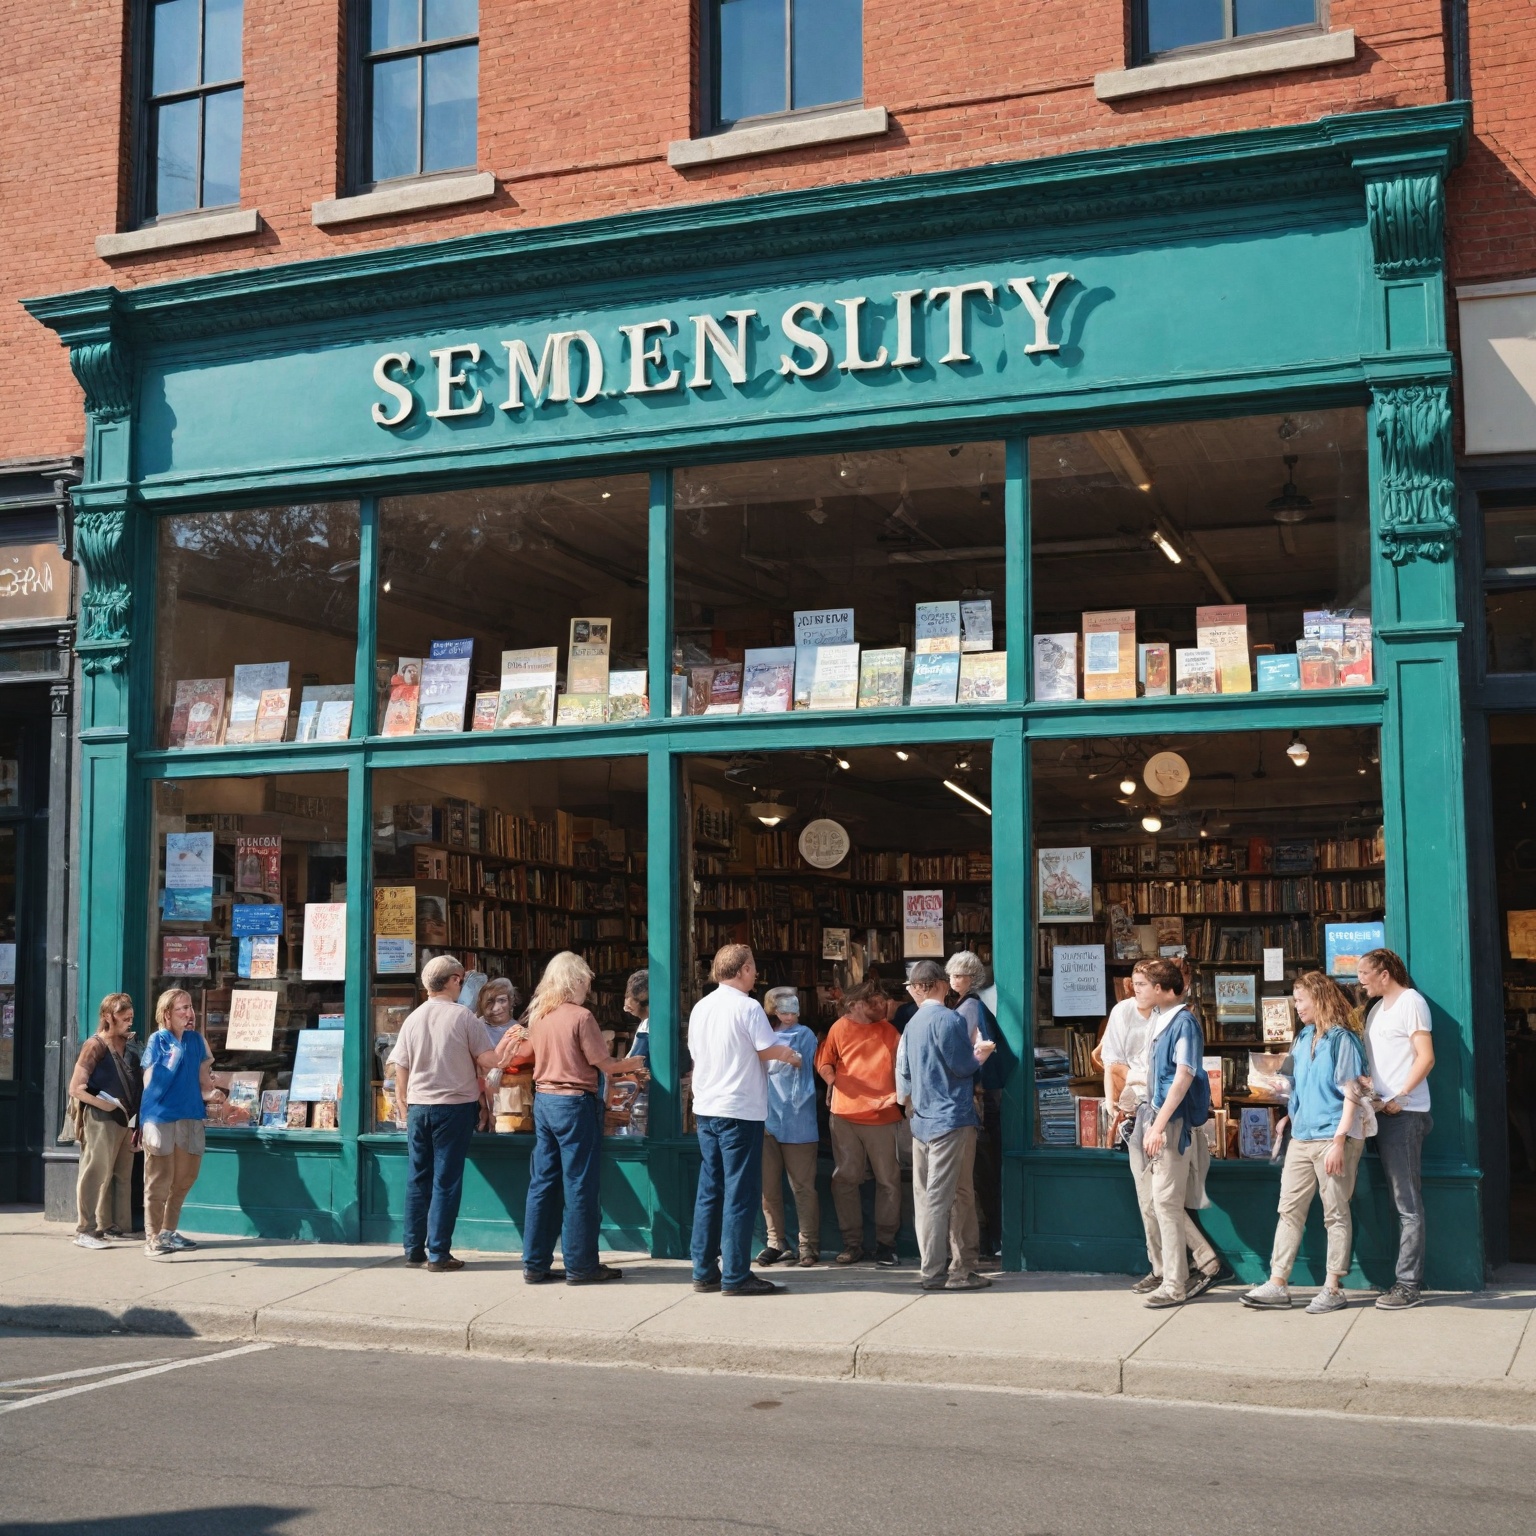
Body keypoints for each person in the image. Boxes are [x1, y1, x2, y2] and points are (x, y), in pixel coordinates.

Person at [501, 951, 648, 1286]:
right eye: (586, 981)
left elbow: (528, 1055)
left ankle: (535, 1264)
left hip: (545, 1101)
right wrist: (635, 1063)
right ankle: (581, 1266)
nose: (588, 988)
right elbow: (604, 1064)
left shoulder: (540, 1015)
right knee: (580, 1185)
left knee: (542, 1184)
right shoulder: (581, 1017)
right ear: (576, 980)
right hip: (575, 1103)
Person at [1243, 971, 1371, 1313]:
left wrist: (1340, 1141)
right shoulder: (1302, 1037)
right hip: (1301, 1136)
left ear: (1320, 999)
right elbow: (1297, 1084)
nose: (1297, 1007)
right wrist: (1286, 1107)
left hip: (1332, 1136)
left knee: (1335, 1213)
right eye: (1295, 1000)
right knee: (1289, 1210)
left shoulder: (1343, 1040)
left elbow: (1352, 1094)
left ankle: (1333, 1287)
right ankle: (1278, 1283)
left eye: (1301, 1000)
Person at [688, 944, 803, 1297]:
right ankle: (736, 1275)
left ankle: (704, 1270)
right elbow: (766, 1049)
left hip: (707, 1107)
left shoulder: (702, 1006)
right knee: (740, 1193)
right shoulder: (748, 1006)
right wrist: (790, 1055)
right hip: (739, 1110)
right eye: (752, 967)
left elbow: (696, 1052)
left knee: (710, 1190)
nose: (755, 973)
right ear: (741, 971)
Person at [392, 954, 505, 1272]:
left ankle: (414, 1250)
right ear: (454, 980)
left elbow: (400, 1065)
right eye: (462, 980)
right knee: (446, 1180)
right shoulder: (463, 1017)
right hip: (453, 1107)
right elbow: (488, 1060)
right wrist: (509, 1048)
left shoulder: (413, 1017)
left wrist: (403, 1101)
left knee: (418, 1178)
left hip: (419, 1107)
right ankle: (439, 1254)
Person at [895, 960, 994, 1291]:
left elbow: (904, 1074)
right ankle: (940, 1272)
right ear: (940, 984)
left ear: (917, 988)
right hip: (951, 1118)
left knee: (930, 1197)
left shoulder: (912, 1023)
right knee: (944, 1197)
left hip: (923, 1121)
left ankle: (958, 1266)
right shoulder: (949, 1019)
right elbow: (963, 1066)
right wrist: (981, 1054)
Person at [1137, 958, 1224, 1309]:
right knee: (1161, 1202)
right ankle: (1196, 1266)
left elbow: (1184, 1074)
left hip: (1171, 1124)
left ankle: (1175, 1284)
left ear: (1161, 989)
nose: (1137, 991)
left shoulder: (1183, 1022)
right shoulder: (1162, 1019)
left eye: (1143, 985)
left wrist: (1158, 1126)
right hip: (1160, 1119)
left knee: (1167, 1203)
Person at [1359, 946, 1436, 1310]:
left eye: (1364, 974)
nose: (1360, 981)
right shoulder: (1376, 1009)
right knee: (1395, 1200)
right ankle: (1401, 1280)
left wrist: (1401, 1097)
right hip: (1377, 1112)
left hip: (1403, 1115)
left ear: (1384, 974)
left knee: (1407, 1203)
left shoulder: (1411, 1002)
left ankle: (1408, 1285)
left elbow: (1426, 1057)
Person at [816, 979, 903, 1266]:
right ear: (855, 1005)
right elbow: (824, 1061)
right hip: (844, 1116)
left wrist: (899, 1096)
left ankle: (886, 1244)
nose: (883, 1006)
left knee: (888, 1181)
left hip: (883, 1114)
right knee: (845, 1179)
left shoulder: (890, 1032)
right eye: (874, 1002)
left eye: (883, 1000)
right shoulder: (839, 1028)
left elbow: (907, 1068)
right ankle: (852, 1243)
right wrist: (833, 1081)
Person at [140, 989, 224, 1259]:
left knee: (185, 1178)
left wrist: (212, 1093)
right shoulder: (157, 1041)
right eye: (183, 1009)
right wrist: (172, 1055)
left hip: (190, 1115)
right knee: (158, 1180)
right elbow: (150, 1083)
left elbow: (203, 1080)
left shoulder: (196, 1041)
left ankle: (168, 1231)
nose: (190, 1014)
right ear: (167, 1014)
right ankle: (152, 1238)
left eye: (190, 1007)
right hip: (160, 1116)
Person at [68, 992, 142, 1248]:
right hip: (101, 1117)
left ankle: (114, 1226)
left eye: (131, 1017)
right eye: (125, 1018)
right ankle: (85, 1230)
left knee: (121, 1175)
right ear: (109, 1017)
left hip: (126, 1118)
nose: (129, 1022)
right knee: (95, 1172)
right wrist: (106, 1105)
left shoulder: (130, 1045)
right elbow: (76, 1088)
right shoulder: (95, 1045)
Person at [756, 986, 822, 1268]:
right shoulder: (763, 1036)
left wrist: (789, 1057)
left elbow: (803, 1066)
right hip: (766, 1118)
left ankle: (808, 1244)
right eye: (784, 1010)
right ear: (773, 1010)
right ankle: (776, 1241)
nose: (790, 1015)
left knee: (803, 1187)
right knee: (769, 1188)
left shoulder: (805, 1035)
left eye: (794, 1009)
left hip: (798, 1119)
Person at [947, 951, 1004, 1259]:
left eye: (959, 975)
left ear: (972, 978)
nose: (953, 980)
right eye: (951, 975)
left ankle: (990, 1238)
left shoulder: (971, 1007)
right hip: (981, 1098)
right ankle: (990, 1237)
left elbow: (972, 1051)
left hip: (978, 1100)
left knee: (981, 1173)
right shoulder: (968, 1005)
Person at [474, 978, 523, 1129]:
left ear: (511, 1001)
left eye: (502, 1001)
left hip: (509, 1094)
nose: (496, 1008)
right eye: (490, 1002)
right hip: (476, 1094)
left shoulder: (517, 1029)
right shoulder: (475, 1025)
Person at [624, 969, 650, 1063]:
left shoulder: (648, 1026)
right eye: (626, 996)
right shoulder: (644, 1023)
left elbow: (635, 1060)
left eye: (631, 997)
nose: (627, 1002)